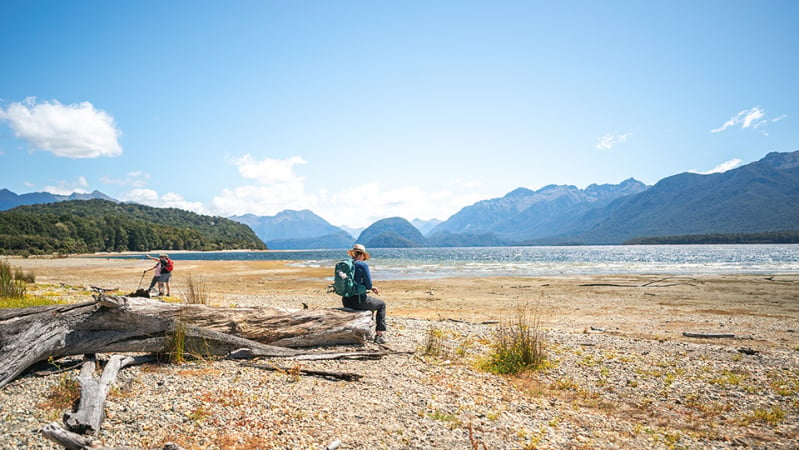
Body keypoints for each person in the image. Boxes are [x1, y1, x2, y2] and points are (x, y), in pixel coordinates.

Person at [341, 244, 387, 344]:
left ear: (353, 254)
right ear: (362, 255)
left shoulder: (347, 264)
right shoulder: (362, 265)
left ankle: (364, 332)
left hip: (346, 300)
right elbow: (368, 284)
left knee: (371, 304)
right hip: (358, 301)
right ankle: (379, 335)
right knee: (381, 305)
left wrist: (371, 287)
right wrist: (371, 287)